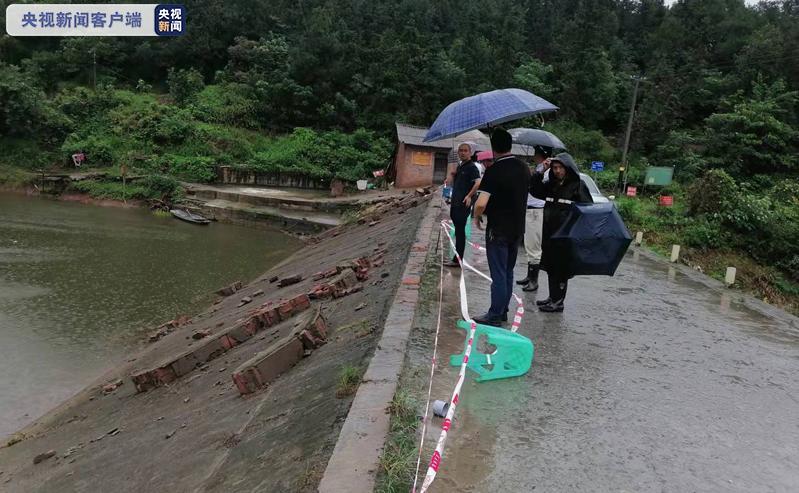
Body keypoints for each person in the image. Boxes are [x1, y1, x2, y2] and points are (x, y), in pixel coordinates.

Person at [472, 128, 530, 326]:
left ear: (493, 147)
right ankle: (503, 309)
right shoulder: (523, 168)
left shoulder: (494, 170)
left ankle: (495, 313)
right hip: (517, 229)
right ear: (510, 145)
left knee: (497, 272)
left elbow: (481, 203)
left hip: (498, 229)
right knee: (508, 270)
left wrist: (476, 216)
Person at [529, 152, 593, 312]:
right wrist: (540, 171)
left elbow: (587, 209)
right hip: (550, 232)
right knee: (551, 266)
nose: (557, 171)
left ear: (567, 168)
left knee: (561, 268)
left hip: (566, 234)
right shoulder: (551, 184)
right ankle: (552, 297)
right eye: (555, 167)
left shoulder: (578, 185)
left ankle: (558, 301)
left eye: (560, 168)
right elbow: (534, 190)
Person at [516, 146, 551, 292]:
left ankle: (534, 280)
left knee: (534, 245)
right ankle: (529, 276)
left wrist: (540, 172)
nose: (534, 156)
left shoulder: (547, 170)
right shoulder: (538, 167)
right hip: (529, 209)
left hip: (537, 210)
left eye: (536, 153)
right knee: (529, 244)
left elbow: (541, 187)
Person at [444, 141, 481, 268]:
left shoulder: (472, 167)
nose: (463, 152)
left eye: (466, 150)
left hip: (462, 204)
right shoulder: (461, 166)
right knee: (458, 230)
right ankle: (456, 258)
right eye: (461, 150)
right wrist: (455, 175)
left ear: (470, 153)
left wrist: (469, 196)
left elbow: (477, 183)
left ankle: (457, 260)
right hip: (455, 202)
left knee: (460, 232)